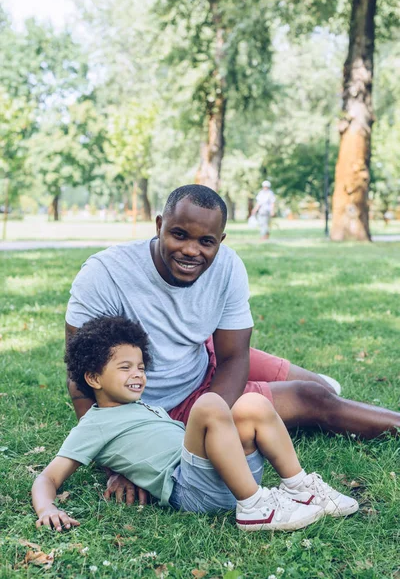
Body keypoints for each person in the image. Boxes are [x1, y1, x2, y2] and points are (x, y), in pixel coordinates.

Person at [65, 184, 400, 505]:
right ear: (159, 225)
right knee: (311, 399)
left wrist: (219, 416)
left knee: (320, 388)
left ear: (220, 241)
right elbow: (81, 378)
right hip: (166, 405)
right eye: (179, 234)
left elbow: (234, 355)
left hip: (205, 359)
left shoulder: (227, 266)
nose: (191, 250)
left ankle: (324, 389)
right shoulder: (104, 274)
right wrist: (123, 463)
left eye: (206, 241)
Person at [33, 317, 358, 533]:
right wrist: (46, 506)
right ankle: (256, 508)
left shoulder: (144, 406)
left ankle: (300, 488)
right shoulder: (94, 424)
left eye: (141, 366)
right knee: (209, 403)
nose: (138, 374)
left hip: (224, 474)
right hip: (190, 490)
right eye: (125, 367)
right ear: (93, 378)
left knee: (253, 404)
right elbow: (49, 476)